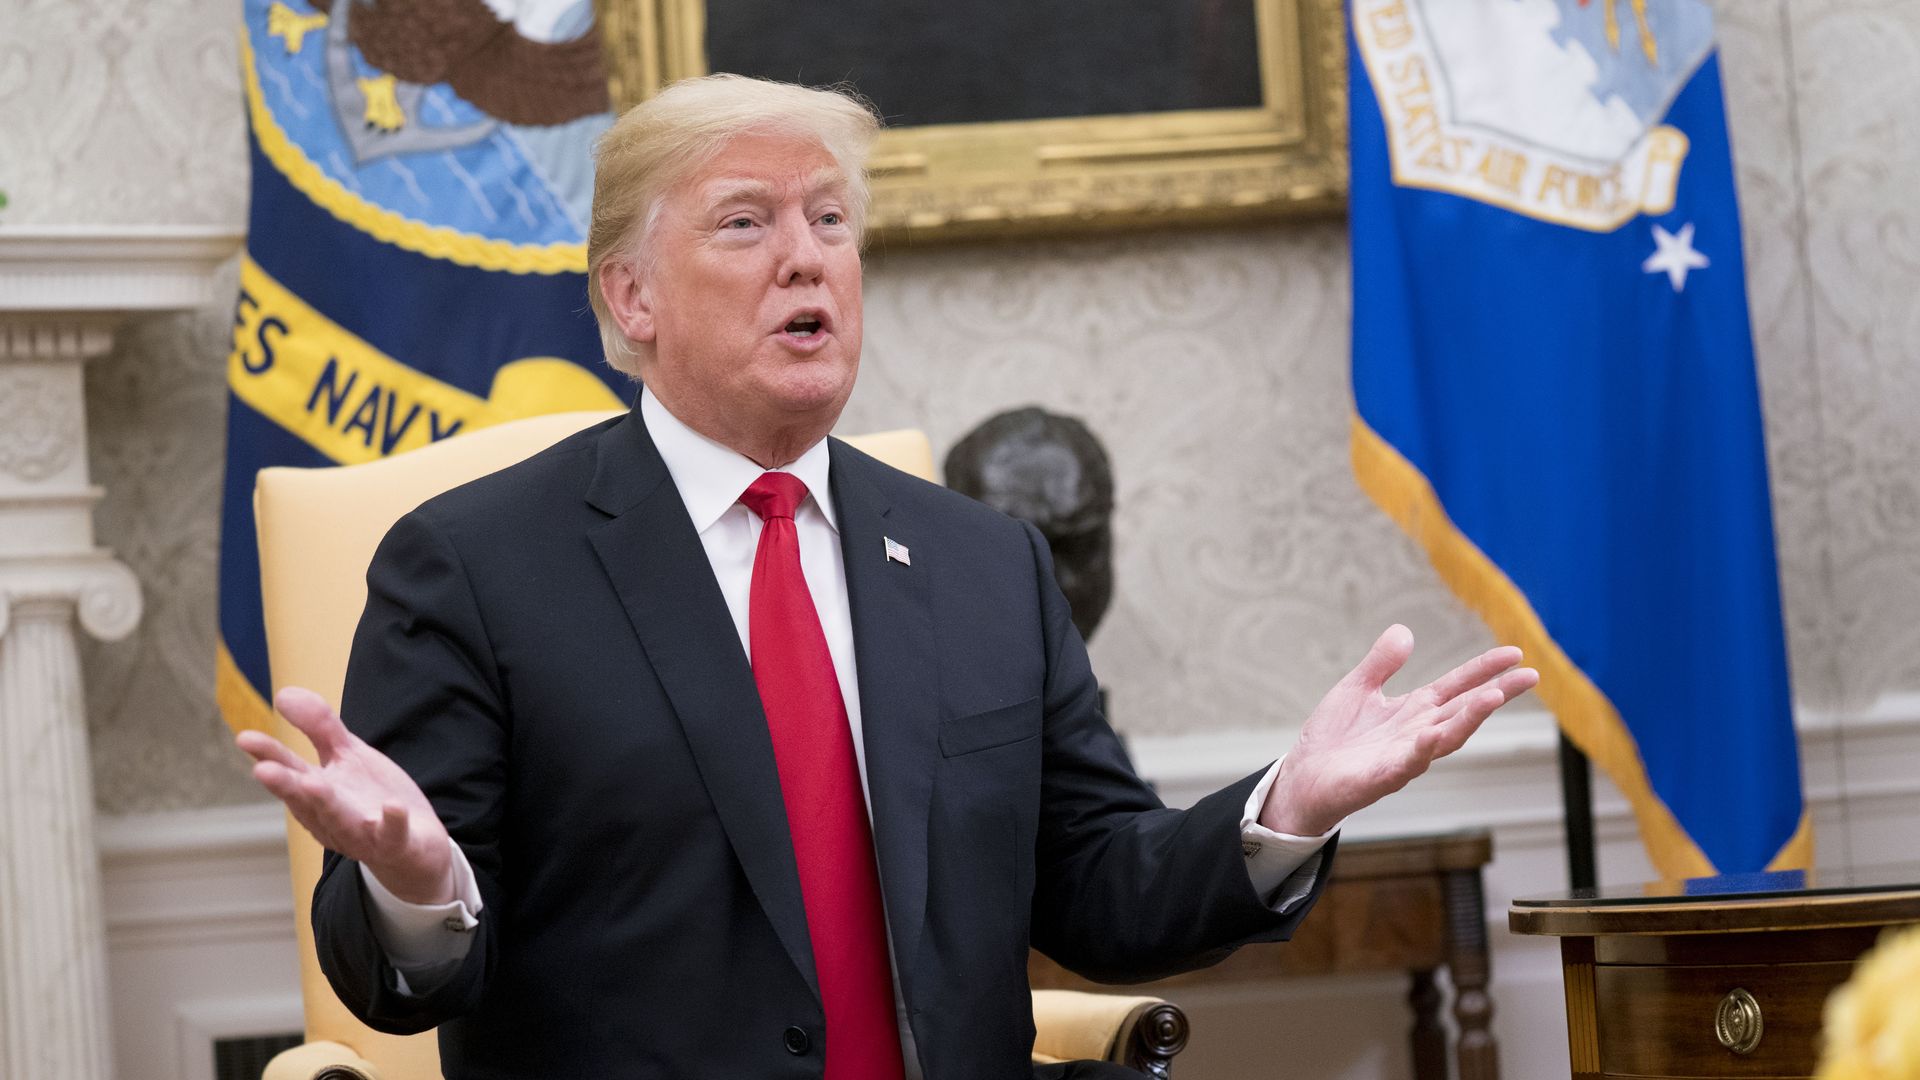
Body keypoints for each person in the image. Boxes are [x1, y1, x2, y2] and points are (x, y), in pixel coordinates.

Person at [237, 74, 1538, 1079]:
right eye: (746, 224)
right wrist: (419, 879)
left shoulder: (983, 563)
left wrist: (1283, 810)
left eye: (831, 223)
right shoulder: (474, 568)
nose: (808, 258)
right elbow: (390, 974)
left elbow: (1097, 885)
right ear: (629, 296)